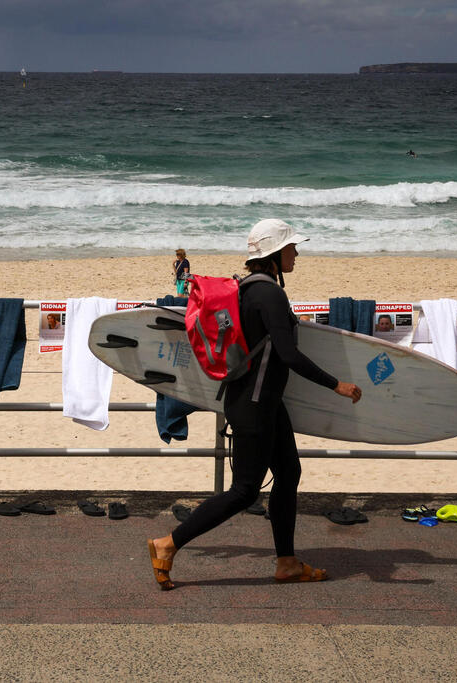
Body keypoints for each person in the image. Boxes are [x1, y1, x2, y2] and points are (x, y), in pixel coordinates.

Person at [147, 218, 362, 589]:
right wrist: (336, 385)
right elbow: (289, 355)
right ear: (275, 253)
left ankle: (287, 562)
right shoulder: (270, 294)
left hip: (263, 401)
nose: (297, 254)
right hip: (255, 405)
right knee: (244, 491)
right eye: (292, 247)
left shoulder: (248, 290)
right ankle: (168, 543)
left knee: (288, 473)